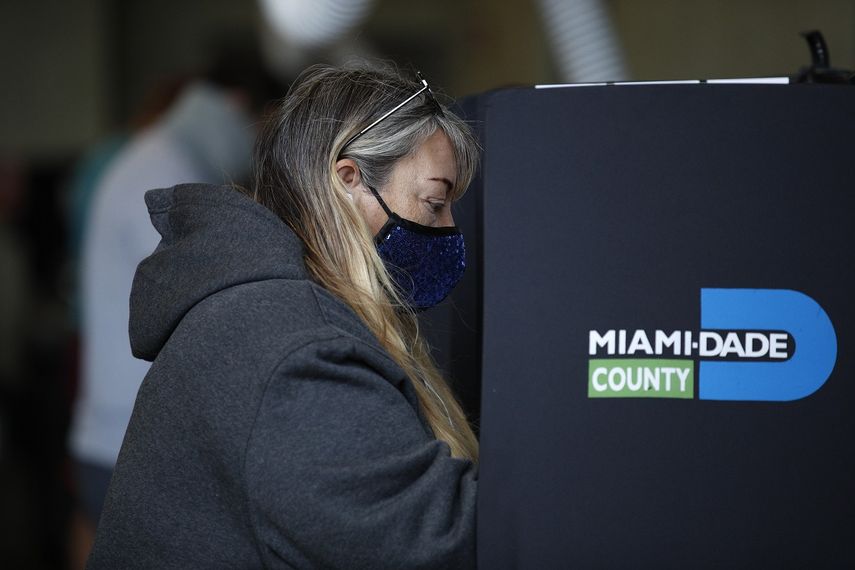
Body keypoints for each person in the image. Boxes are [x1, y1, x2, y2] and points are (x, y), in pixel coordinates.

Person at [88, 62, 481, 569]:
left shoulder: (266, 311)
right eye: (434, 201)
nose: (448, 229)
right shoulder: (296, 350)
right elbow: (432, 543)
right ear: (348, 182)